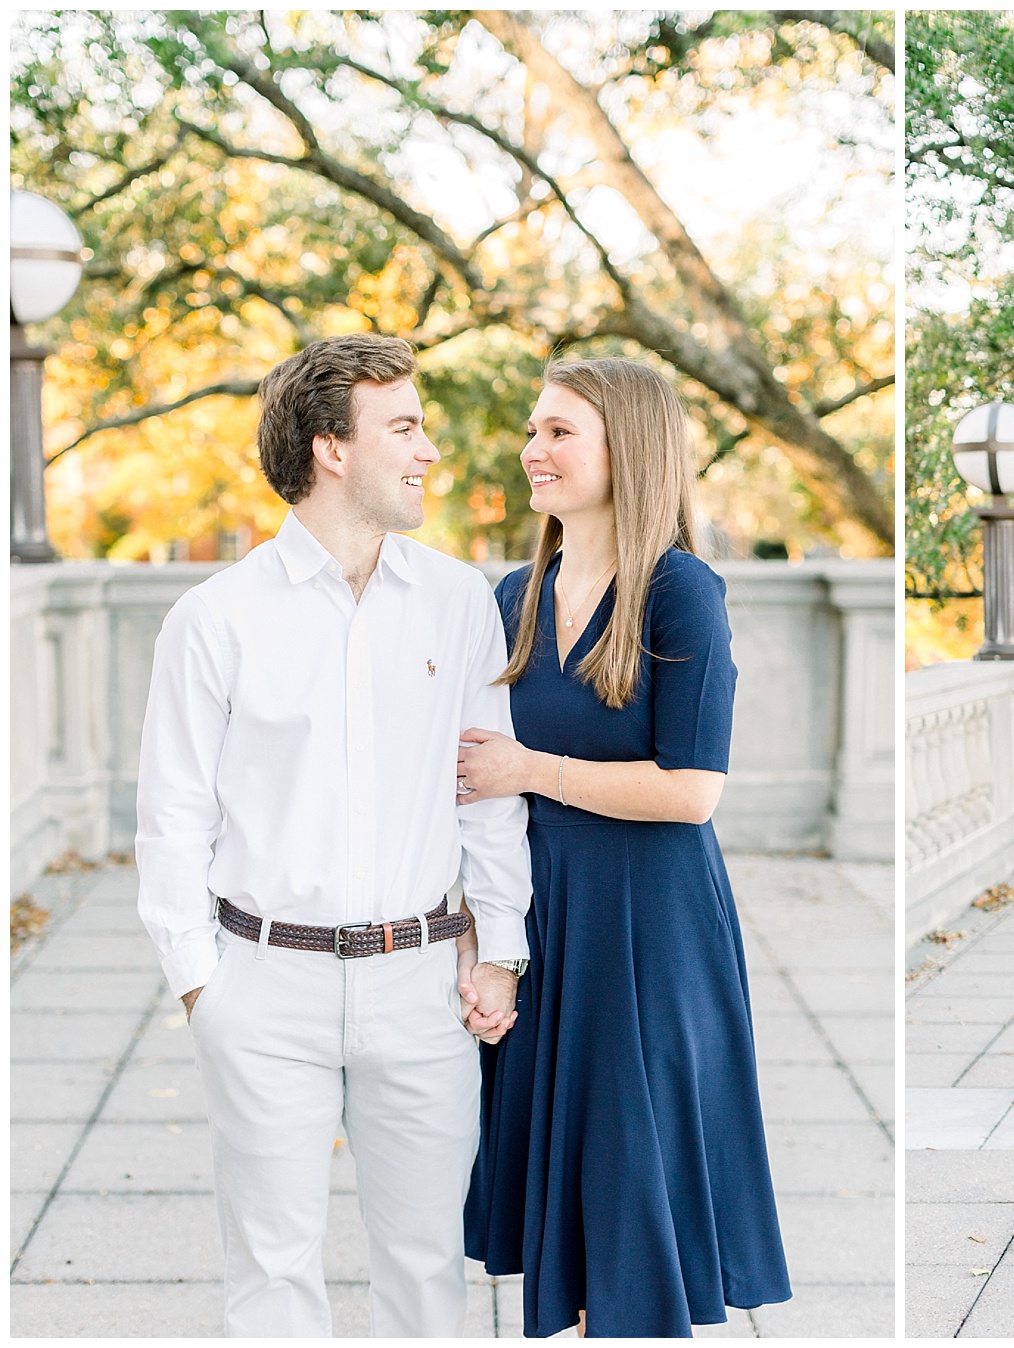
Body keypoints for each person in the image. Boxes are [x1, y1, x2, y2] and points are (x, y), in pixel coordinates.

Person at [136, 333, 532, 1336]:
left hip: (423, 982)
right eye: (404, 427)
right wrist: (204, 989)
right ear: (331, 448)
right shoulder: (215, 619)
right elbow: (172, 817)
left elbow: (487, 796)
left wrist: (500, 948)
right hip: (264, 987)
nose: (428, 450)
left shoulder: (458, 602)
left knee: (427, 1272)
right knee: (272, 1277)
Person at [458, 357, 791, 1337]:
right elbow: (477, 789)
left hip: (651, 925)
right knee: (571, 1201)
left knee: (632, 1193)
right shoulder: (514, 594)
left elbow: (692, 791)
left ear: (627, 449)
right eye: (534, 429)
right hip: (546, 915)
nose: (534, 449)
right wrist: (486, 942)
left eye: (560, 431)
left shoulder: (681, 590)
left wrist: (533, 769)